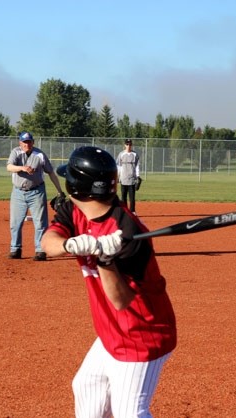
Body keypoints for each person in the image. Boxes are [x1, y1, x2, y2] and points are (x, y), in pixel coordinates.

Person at [41, 146, 176, 418]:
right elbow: (47, 244)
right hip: (112, 330)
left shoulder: (128, 231)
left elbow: (121, 300)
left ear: (76, 187)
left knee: (129, 412)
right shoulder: (73, 209)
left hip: (141, 333)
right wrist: (70, 244)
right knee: (87, 385)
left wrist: (105, 259)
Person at [6, 131, 65, 261]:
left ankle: (40, 250)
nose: (27, 144)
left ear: (33, 142)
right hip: (18, 193)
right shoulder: (15, 152)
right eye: (24, 142)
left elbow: (51, 173)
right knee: (15, 223)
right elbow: (9, 167)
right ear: (20, 142)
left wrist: (59, 191)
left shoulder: (40, 154)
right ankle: (15, 249)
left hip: (37, 192)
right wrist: (22, 168)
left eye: (29, 141)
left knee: (40, 223)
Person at [115, 138, 140, 214]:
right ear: (124, 145)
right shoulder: (121, 154)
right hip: (123, 178)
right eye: (127, 144)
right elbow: (119, 166)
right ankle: (125, 211)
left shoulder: (135, 154)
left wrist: (138, 176)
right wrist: (118, 177)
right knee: (123, 197)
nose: (128, 146)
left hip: (132, 178)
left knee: (132, 197)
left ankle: (132, 211)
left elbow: (137, 166)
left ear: (131, 145)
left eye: (130, 144)